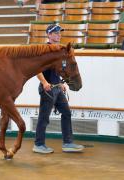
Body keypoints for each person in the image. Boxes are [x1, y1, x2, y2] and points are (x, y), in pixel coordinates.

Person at [33, 24, 84, 154]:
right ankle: (38, 144)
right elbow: (36, 69)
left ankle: (68, 143)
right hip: (47, 89)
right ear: (48, 35)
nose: (59, 35)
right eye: (55, 33)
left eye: (59, 32)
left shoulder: (59, 50)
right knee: (44, 118)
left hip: (57, 88)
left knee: (66, 113)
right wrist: (44, 82)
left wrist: (60, 83)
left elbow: (59, 69)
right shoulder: (44, 50)